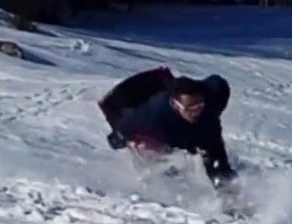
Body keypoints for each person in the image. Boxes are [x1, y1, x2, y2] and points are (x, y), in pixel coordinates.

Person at [97, 66, 237, 187]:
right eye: (190, 109)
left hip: (205, 133)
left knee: (219, 169)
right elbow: (124, 128)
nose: (196, 112)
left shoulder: (211, 100)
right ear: (176, 105)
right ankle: (168, 184)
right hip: (166, 135)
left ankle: (231, 199)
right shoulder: (154, 114)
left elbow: (219, 83)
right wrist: (118, 138)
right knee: (158, 159)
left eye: (199, 106)